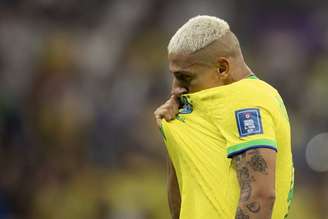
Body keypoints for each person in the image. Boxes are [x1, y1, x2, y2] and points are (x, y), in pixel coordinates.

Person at [154, 15, 294, 219]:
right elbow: (186, 199)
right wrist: (174, 133)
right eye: (174, 76)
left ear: (222, 68)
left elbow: (260, 195)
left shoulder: (247, 98)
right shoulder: (223, 103)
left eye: (185, 77)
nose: (176, 88)